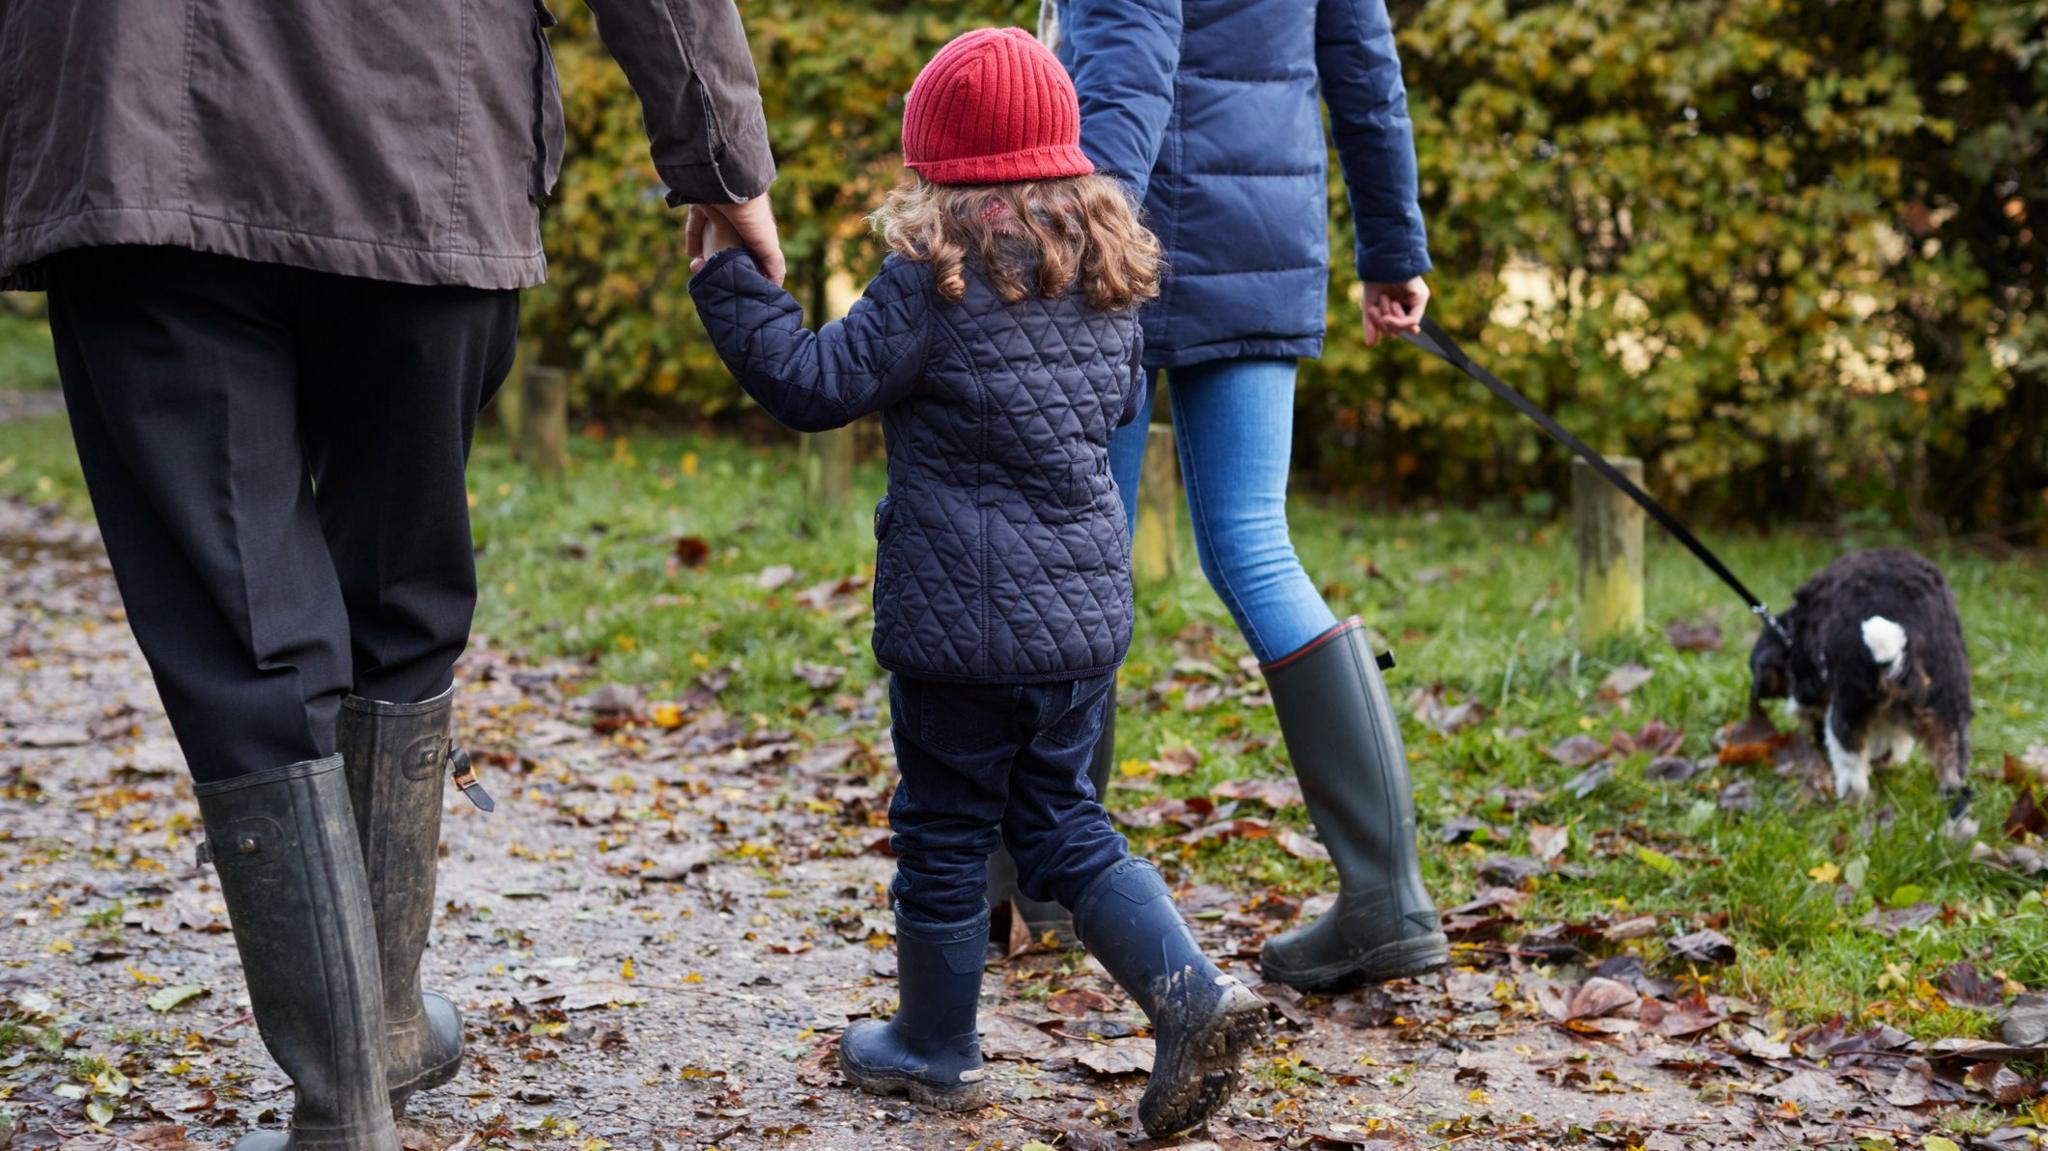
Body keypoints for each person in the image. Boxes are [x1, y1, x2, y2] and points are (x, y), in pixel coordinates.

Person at [0, 4, 779, 1147]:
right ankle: (375, 1038)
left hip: (144, 138)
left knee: (243, 634)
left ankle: (348, 1090)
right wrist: (717, 156)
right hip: (420, 128)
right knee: (400, 592)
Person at [688, 28, 1268, 1138]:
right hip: (1081, 621)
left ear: (935, 166)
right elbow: (1098, 416)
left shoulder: (930, 281)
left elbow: (812, 385)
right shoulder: (1109, 275)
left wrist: (727, 281)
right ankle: (1189, 991)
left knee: (946, 825)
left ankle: (934, 1044)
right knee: (1065, 819)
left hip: (963, 628)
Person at [1003, 0, 1448, 992]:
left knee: (1076, 545)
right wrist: (1391, 249)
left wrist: (1073, 241)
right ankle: (1387, 895)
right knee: (1254, 542)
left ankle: (1039, 874)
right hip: (1261, 248)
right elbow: (1364, 76)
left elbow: (1125, 72)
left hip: (1120, 257)